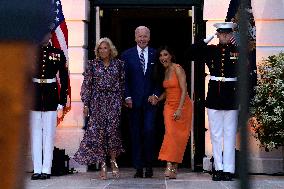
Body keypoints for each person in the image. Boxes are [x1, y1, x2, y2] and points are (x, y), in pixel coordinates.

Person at [187, 22, 239, 181]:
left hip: (231, 95)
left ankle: (229, 170)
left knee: (230, 135)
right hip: (214, 96)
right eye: (221, 33)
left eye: (226, 34)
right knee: (216, 134)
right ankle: (218, 167)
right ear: (218, 34)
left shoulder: (238, 52)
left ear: (231, 35)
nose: (224, 36)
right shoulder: (210, 50)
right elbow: (190, 52)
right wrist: (208, 38)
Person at [74, 37, 125, 180]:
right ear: (97, 51)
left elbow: (122, 84)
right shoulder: (92, 65)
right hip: (97, 102)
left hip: (114, 101)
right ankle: (102, 164)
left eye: (105, 48)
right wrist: (85, 104)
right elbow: (87, 85)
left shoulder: (119, 64)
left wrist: (122, 100)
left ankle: (113, 161)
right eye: (100, 48)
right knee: (99, 133)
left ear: (110, 49)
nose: (103, 50)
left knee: (113, 131)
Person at [121, 26, 161, 178]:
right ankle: (138, 167)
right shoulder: (126, 55)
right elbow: (123, 79)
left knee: (149, 131)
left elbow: (160, 78)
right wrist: (127, 96)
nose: (142, 39)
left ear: (149, 38)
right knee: (135, 134)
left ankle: (149, 165)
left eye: (145, 36)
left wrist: (156, 95)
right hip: (133, 103)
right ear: (135, 38)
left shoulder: (156, 54)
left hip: (150, 102)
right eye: (140, 36)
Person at [30, 31, 69, 180]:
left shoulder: (57, 53)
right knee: (35, 134)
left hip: (51, 96)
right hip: (34, 96)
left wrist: (62, 101)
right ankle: (37, 169)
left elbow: (64, 78)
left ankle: (46, 169)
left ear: (50, 36)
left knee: (49, 135)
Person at [155, 46, 192, 179]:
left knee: (179, 138)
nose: (163, 58)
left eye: (165, 55)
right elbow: (167, 90)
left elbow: (183, 89)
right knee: (170, 134)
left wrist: (180, 109)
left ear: (171, 56)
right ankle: (169, 164)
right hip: (169, 106)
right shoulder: (165, 71)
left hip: (182, 106)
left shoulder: (178, 68)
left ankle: (174, 166)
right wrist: (157, 99)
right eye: (160, 56)